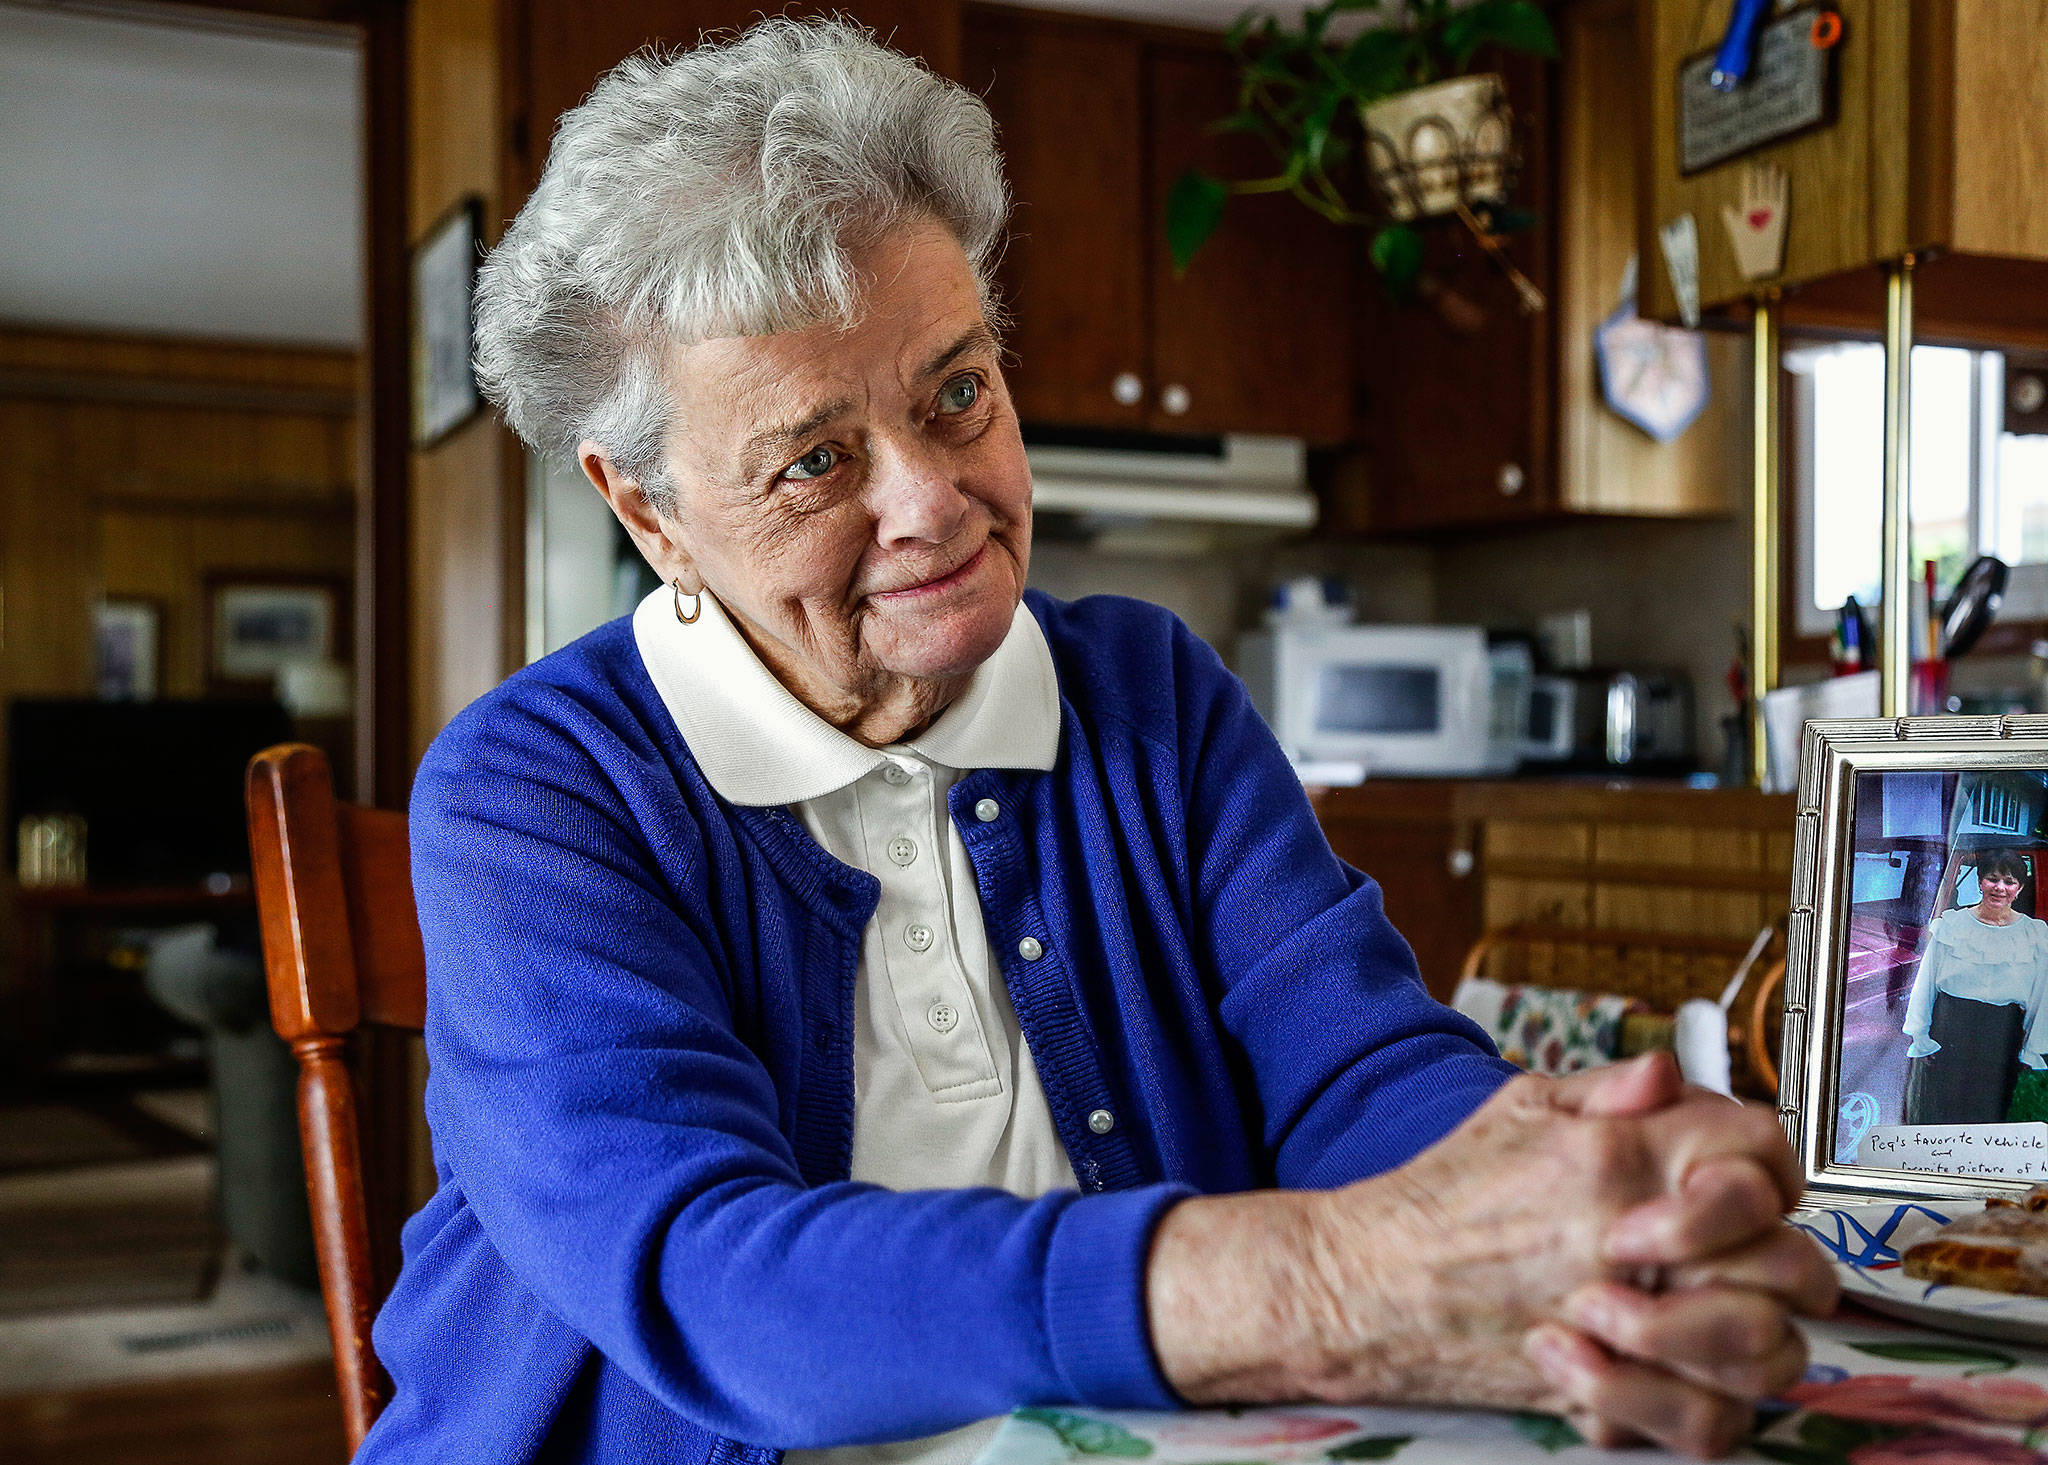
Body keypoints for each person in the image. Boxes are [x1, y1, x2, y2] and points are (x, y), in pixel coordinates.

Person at [363, 20, 1834, 1465]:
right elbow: (707, 1272)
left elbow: (1357, 1068)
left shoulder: (1145, 691)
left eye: (959, 392)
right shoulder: (538, 790)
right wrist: (1326, 1283)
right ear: (647, 510)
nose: (933, 500)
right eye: (815, 460)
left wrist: (1579, 1214)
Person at [1902, 848, 2048, 1125]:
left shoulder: (2035, 935)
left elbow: (2041, 994)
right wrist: (1921, 1036)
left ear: (2020, 888)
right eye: (1992, 879)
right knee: (1940, 1110)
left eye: (2009, 881)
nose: (2000, 888)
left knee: (1988, 1113)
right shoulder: (1951, 925)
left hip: (2001, 1034)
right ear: (1980, 882)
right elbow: (1926, 984)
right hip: (1950, 1028)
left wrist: (2030, 1047)